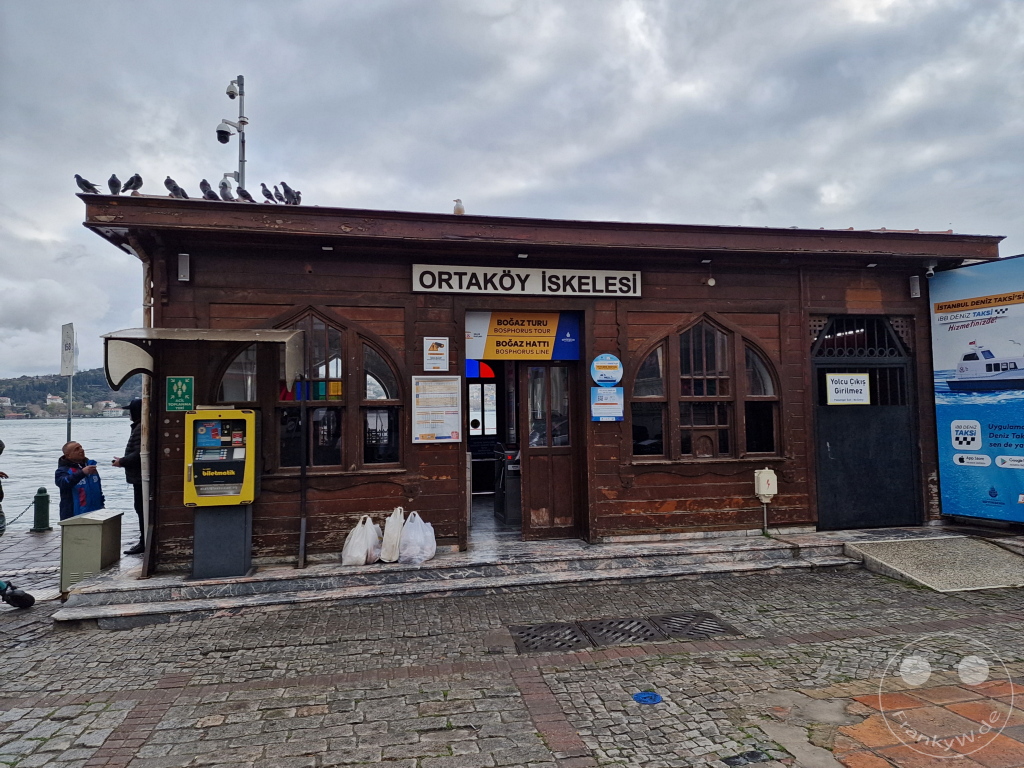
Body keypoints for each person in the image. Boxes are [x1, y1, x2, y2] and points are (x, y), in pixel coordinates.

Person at [113, 398, 145, 555]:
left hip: (140, 478)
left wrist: (122, 462)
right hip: (139, 477)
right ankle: (144, 539)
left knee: (141, 508)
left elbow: (139, 454)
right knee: (140, 508)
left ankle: (144, 542)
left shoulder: (140, 428)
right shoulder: (141, 426)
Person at [55, 441, 103, 520]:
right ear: (68, 455)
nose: (81, 450)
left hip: (96, 513)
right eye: (76, 449)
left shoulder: (91, 467)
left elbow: (98, 489)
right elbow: (63, 483)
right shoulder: (62, 470)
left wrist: (102, 505)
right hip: (73, 514)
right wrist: (82, 473)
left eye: (81, 447)